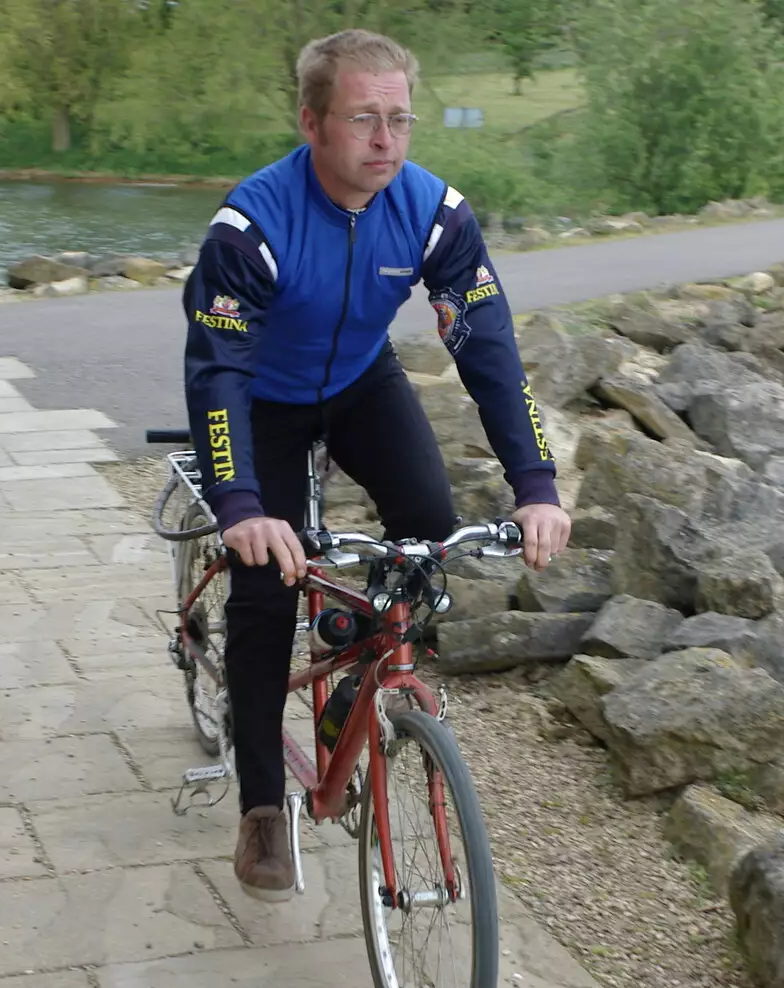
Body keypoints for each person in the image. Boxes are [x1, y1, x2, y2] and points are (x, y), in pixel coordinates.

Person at [180, 28, 572, 901]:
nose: (387, 140)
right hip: (263, 401)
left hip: (360, 380)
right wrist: (241, 504)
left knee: (428, 536)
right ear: (312, 121)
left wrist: (536, 485)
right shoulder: (252, 226)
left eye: (401, 118)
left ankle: (351, 681)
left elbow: (491, 350)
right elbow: (216, 369)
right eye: (365, 119)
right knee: (265, 587)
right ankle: (260, 808)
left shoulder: (434, 213)